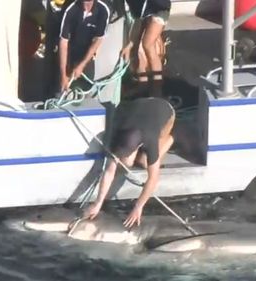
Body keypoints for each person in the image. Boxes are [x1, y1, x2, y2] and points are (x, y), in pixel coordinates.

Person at [83, 97, 175, 228]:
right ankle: (132, 155)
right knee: (126, 163)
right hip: (139, 107)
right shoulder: (119, 135)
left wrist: (138, 207)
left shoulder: (150, 139)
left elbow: (153, 178)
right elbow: (109, 171)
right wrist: (98, 203)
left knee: (144, 162)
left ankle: (169, 140)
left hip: (165, 110)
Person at [120, 0, 171, 98]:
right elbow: (138, 19)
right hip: (145, 12)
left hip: (158, 9)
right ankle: (142, 85)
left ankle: (157, 87)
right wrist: (130, 45)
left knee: (147, 45)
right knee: (137, 50)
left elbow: (139, 17)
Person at [58, 0, 110, 92]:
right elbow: (63, 41)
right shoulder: (70, 8)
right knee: (63, 89)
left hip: (87, 53)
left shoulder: (103, 9)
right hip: (69, 51)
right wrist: (63, 75)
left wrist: (82, 65)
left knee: (85, 89)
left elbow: (98, 39)